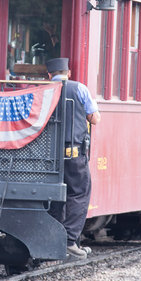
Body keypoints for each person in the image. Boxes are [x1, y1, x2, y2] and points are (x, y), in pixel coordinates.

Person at [46, 57, 101, 259]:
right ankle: (69, 240)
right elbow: (95, 118)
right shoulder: (80, 89)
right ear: (68, 73)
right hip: (74, 154)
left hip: (47, 156)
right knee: (79, 193)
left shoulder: (42, 89)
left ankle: (51, 238)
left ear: (49, 75)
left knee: (52, 195)